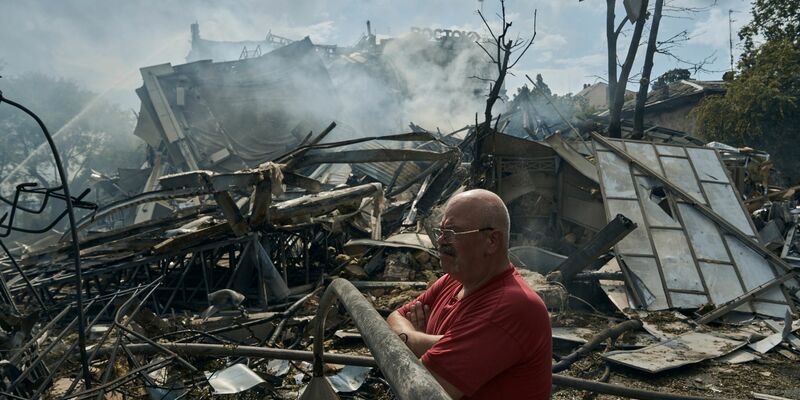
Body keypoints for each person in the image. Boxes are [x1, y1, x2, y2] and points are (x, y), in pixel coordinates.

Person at [387, 189, 552, 399]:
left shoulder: (512, 306)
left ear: (491, 240)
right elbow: (395, 317)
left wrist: (411, 342)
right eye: (441, 232)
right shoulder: (453, 280)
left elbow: (420, 390)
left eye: (452, 233)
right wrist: (430, 342)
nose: (441, 241)